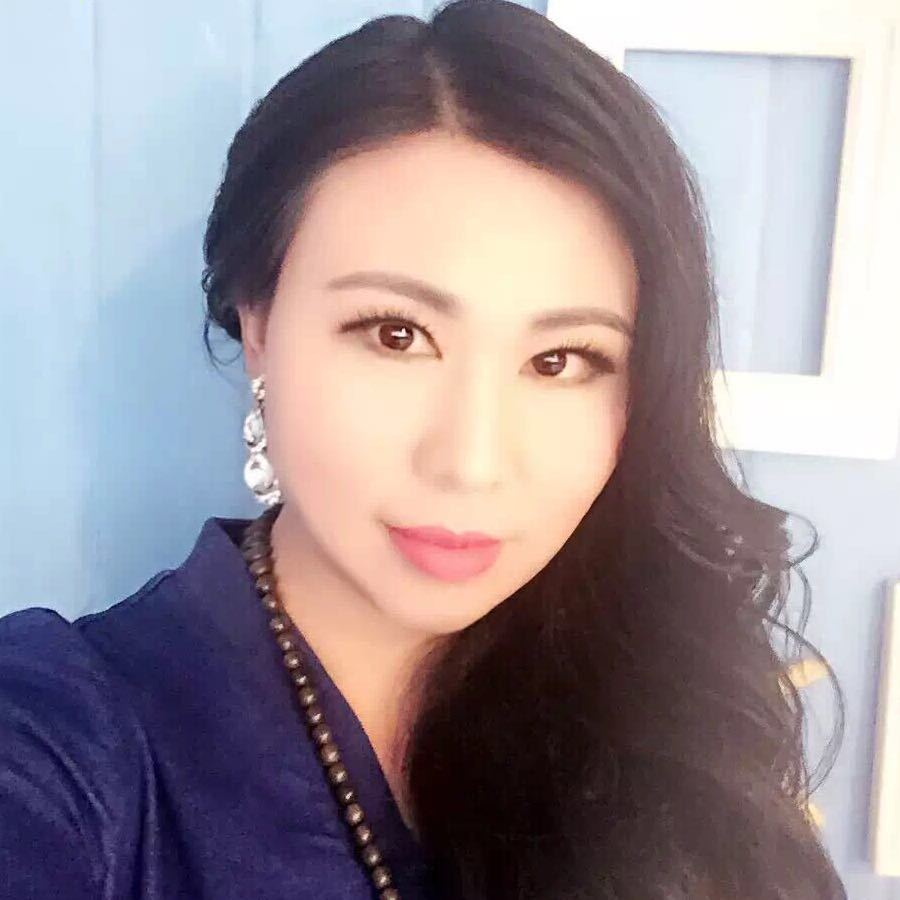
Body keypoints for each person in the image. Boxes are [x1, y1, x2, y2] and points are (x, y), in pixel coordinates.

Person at [0, 1, 848, 898]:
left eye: (561, 361)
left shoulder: (677, 706)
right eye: (396, 334)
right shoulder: (59, 747)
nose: (471, 463)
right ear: (259, 325)